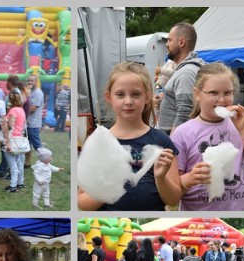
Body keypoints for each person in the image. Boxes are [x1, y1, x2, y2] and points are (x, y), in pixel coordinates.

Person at [77, 61, 181, 211]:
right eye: (120, 94)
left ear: (147, 97)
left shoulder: (161, 141)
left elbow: (173, 199)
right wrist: (110, 185)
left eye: (136, 94)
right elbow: (81, 201)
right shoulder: (99, 143)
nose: (128, 101)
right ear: (109, 97)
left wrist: (161, 177)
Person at [172, 62, 244, 211]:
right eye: (213, 93)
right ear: (197, 94)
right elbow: (171, 195)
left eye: (227, 93)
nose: (222, 100)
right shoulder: (182, 134)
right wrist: (189, 179)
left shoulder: (242, 126)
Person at [156, 23, 205, 135]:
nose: (166, 44)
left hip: (174, 140)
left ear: (181, 42)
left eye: (169, 40)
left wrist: (173, 145)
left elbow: (185, 113)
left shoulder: (186, 73)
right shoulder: (184, 70)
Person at [3, 91, 27, 193]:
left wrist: (3, 121)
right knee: (19, 162)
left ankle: (13, 185)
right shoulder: (21, 110)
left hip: (12, 139)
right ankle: (20, 182)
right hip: (19, 139)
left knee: (12, 164)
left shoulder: (13, 111)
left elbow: (10, 126)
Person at [24, 74, 44, 168]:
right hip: (27, 123)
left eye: (32, 81)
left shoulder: (38, 93)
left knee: (37, 145)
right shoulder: (29, 92)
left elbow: (33, 108)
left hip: (33, 124)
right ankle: (27, 163)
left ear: (36, 81)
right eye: (29, 80)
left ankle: (45, 162)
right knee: (27, 144)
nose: (29, 82)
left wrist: (21, 111)